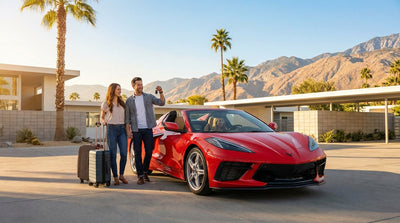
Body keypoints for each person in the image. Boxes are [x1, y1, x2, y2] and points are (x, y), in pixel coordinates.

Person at [125, 77, 165, 185]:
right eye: (138, 85)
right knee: (137, 153)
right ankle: (140, 176)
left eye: (141, 84)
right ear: (133, 86)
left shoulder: (148, 97)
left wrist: (161, 92)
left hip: (148, 128)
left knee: (149, 151)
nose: (140, 86)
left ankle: (145, 171)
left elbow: (162, 103)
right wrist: (128, 131)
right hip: (136, 130)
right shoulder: (129, 101)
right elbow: (127, 117)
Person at [100, 83, 128, 185]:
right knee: (113, 154)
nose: (120, 91)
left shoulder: (122, 103)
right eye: (118, 89)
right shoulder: (106, 103)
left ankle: (121, 175)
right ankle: (115, 176)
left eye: (120, 89)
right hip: (111, 128)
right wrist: (103, 121)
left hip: (122, 129)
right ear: (112, 91)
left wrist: (128, 130)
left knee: (124, 154)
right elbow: (102, 117)